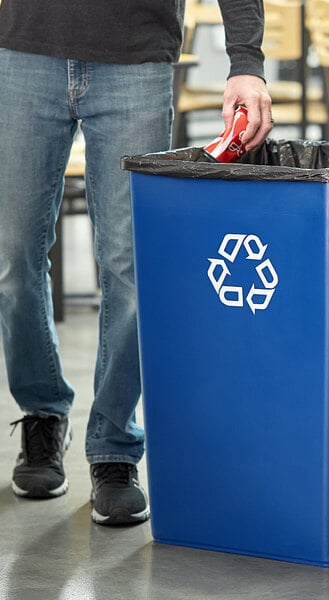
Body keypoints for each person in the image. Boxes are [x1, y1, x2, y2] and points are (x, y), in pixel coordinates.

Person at [0, 0, 272, 526]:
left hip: (135, 56)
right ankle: (42, 413)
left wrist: (246, 61)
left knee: (129, 271)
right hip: (23, 49)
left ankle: (114, 447)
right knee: (12, 259)